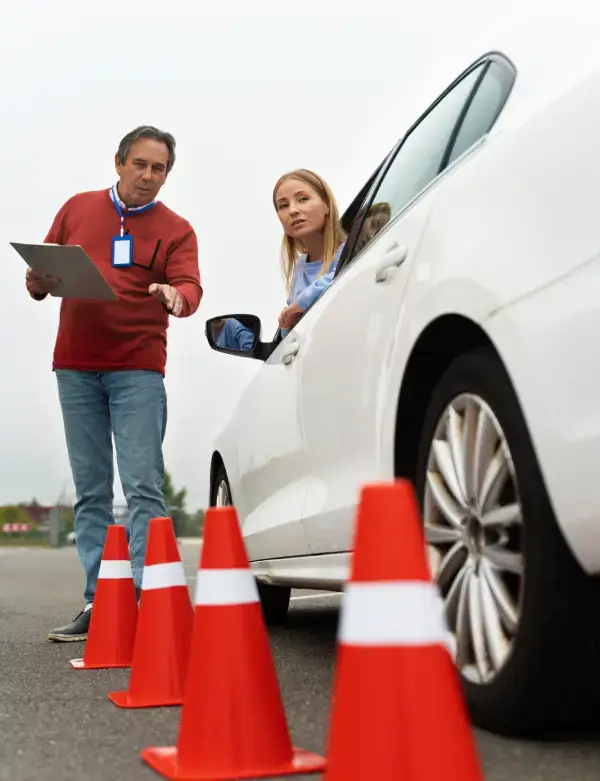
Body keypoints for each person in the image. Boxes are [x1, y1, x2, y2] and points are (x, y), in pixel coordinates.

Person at [25, 125, 202, 643]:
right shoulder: (78, 208)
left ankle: (148, 601)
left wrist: (177, 296)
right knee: (92, 491)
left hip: (138, 370)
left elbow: (190, 286)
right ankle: (98, 602)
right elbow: (41, 273)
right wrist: (37, 283)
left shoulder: (178, 228)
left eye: (160, 169)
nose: (149, 177)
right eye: (141, 164)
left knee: (144, 486)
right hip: (76, 366)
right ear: (119, 162)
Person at [272, 169, 346, 336]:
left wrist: (301, 303)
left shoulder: (352, 251)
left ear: (327, 204)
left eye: (303, 199)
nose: (293, 210)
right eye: (283, 206)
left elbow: (345, 275)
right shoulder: (299, 269)